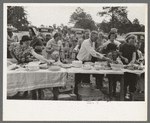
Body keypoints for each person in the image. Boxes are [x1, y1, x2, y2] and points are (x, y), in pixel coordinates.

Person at [74, 31, 112, 97]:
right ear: (91, 36)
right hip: (80, 61)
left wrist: (102, 54)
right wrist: (105, 58)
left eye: (97, 37)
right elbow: (93, 52)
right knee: (78, 79)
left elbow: (94, 52)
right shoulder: (86, 42)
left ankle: (84, 93)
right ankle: (76, 93)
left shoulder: (93, 42)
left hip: (87, 61)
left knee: (86, 79)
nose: (96, 38)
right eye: (95, 37)